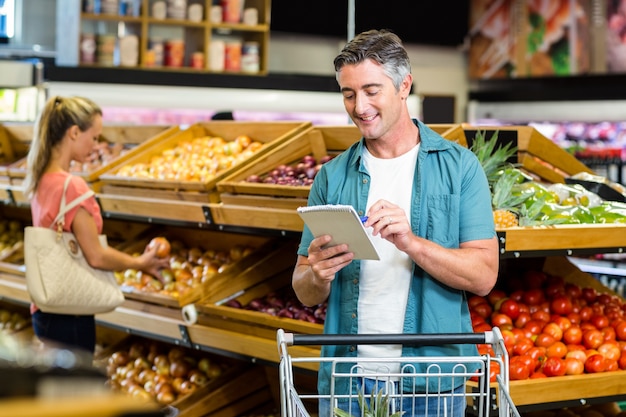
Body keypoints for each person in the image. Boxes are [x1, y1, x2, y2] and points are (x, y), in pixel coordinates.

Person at [292, 30, 499, 417]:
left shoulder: (459, 168)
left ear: (404, 85)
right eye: (348, 93)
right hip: (348, 378)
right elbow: (305, 291)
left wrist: (411, 243)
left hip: (433, 379)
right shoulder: (332, 177)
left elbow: (484, 276)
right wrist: (317, 275)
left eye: (372, 90)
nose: (359, 106)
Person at [23, 96, 170, 360]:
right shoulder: (73, 187)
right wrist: (140, 262)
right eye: (94, 137)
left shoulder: (40, 178)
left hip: (45, 309)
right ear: (74, 132)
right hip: (70, 312)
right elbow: (96, 256)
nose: (96, 145)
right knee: (73, 396)